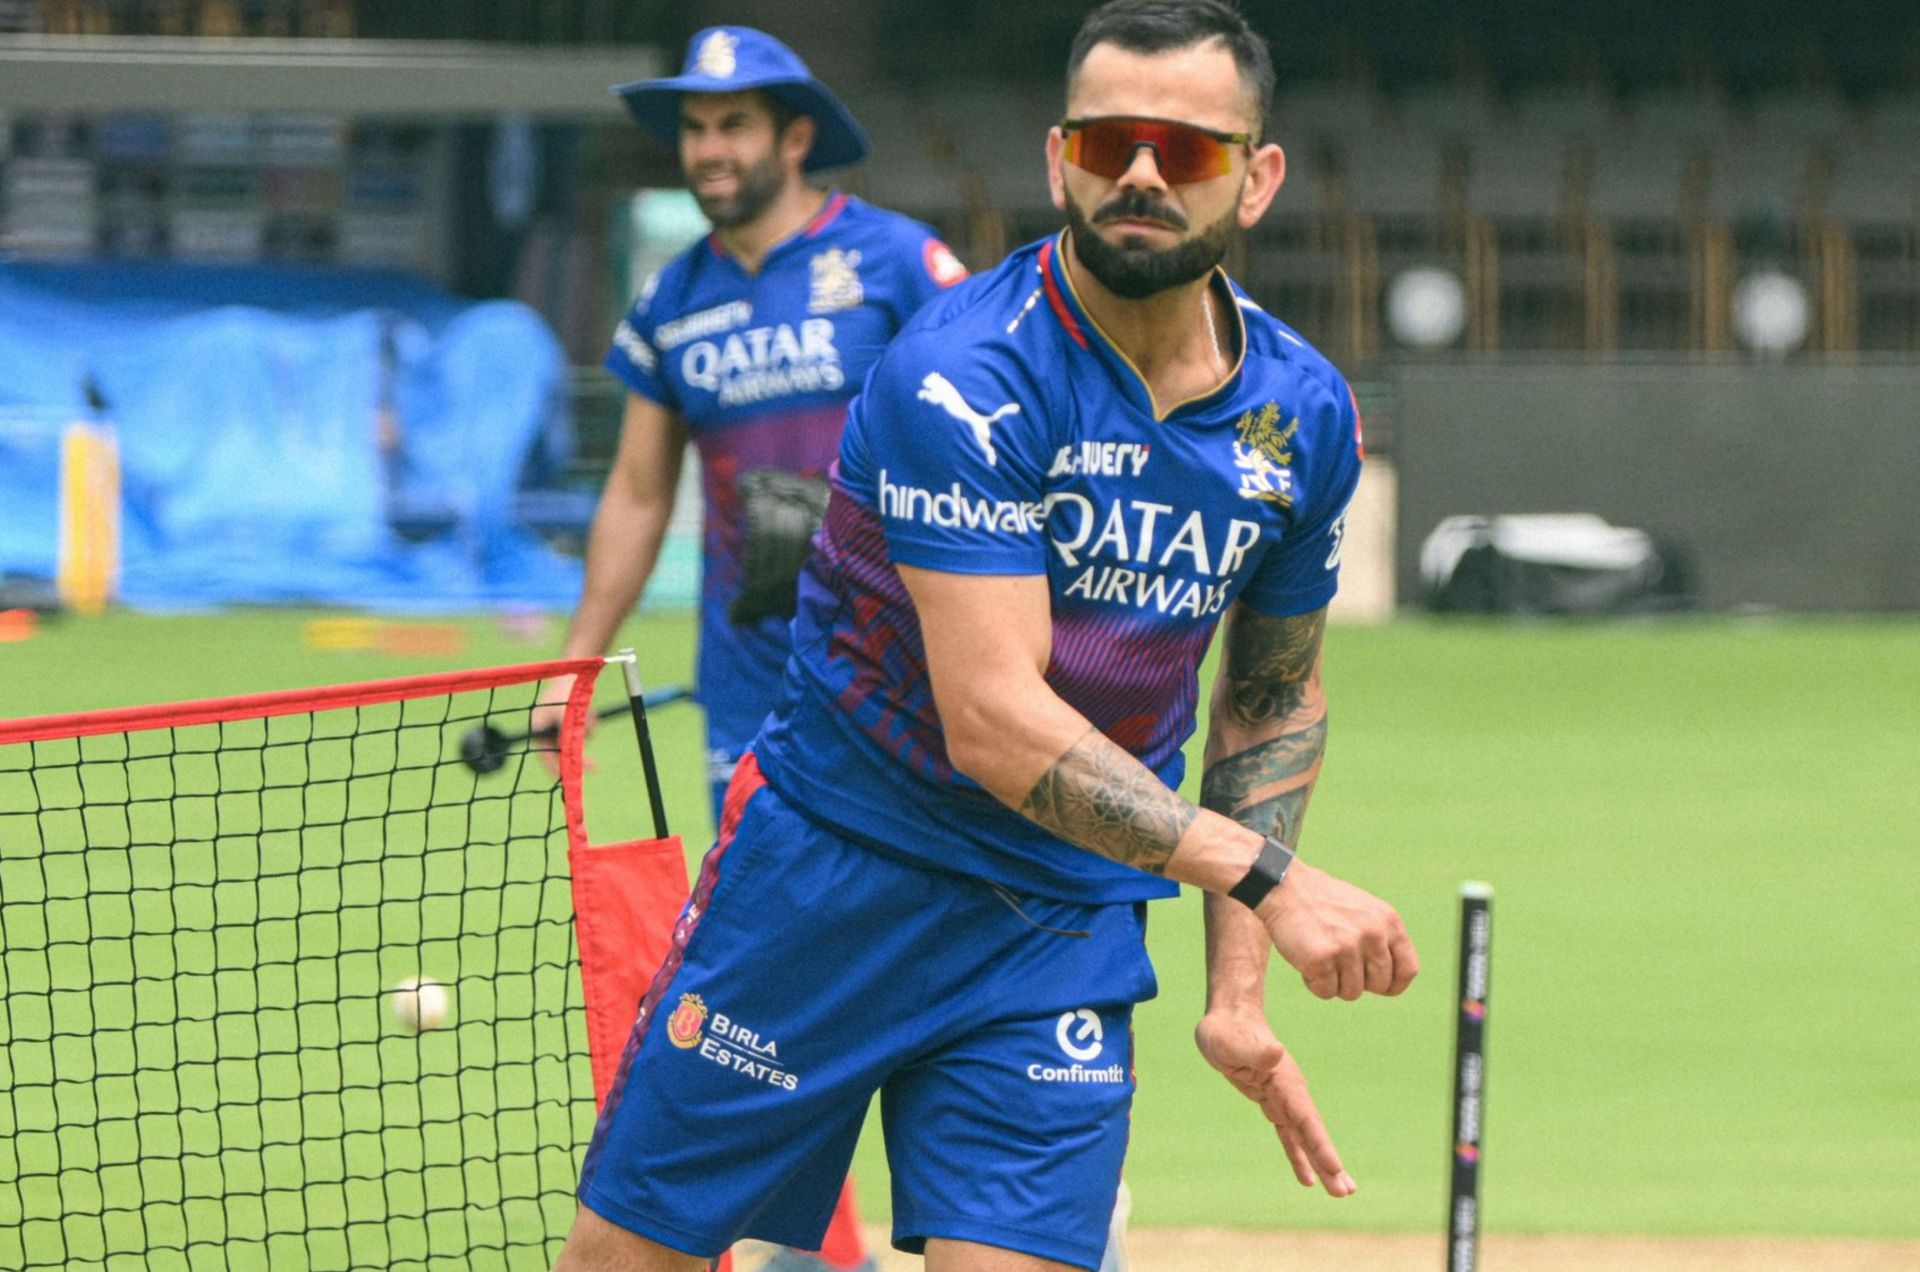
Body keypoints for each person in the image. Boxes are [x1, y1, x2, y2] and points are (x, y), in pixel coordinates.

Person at [554, 3, 1421, 1270]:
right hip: (831, 879)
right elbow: (997, 723)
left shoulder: (1302, 415)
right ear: (1058, 156)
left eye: (1186, 150)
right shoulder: (964, 373)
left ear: (1258, 176)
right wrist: (1271, 880)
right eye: (1111, 141)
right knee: (622, 1264)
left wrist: (1237, 993)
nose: (1140, 173)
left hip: (1054, 921)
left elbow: (1269, 701)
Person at [535, 26, 969, 1272]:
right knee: (775, 968)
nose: (708, 148)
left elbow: (1000, 417)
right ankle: (809, 1245)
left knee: (923, 943)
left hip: (919, 696)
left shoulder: (897, 264)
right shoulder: (673, 300)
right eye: (693, 126)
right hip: (759, 708)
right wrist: (576, 664)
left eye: (733, 124)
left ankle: (995, 1199)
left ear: (793, 137)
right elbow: (633, 493)